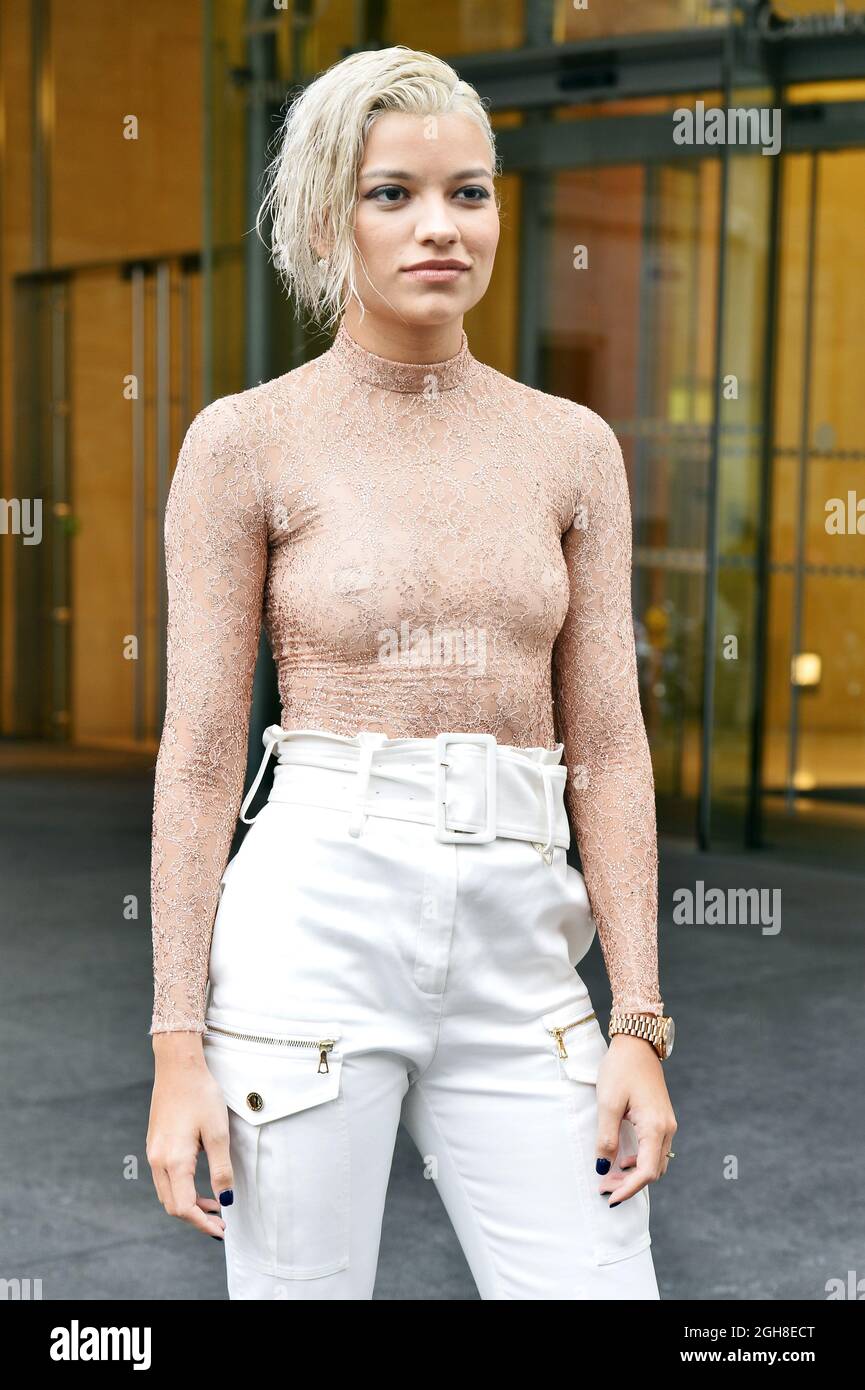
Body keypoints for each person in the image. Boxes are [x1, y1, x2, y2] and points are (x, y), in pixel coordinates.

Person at [145, 43, 677, 1301]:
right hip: (312, 924)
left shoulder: (572, 448)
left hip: (519, 937)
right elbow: (204, 755)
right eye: (393, 193)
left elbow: (604, 740)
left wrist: (639, 1020)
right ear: (332, 217)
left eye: (469, 191)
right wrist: (177, 1045)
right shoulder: (245, 441)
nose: (439, 225)